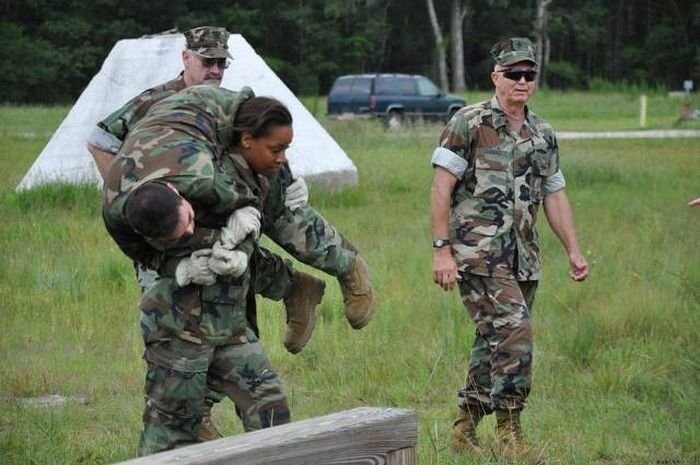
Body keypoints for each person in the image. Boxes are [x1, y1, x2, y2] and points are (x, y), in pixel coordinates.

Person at [89, 26, 376, 440]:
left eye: (222, 61)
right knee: (174, 416)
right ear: (186, 58)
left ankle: (339, 268)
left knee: (267, 403)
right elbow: (101, 140)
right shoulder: (140, 182)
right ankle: (198, 422)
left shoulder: (222, 146)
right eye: (208, 61)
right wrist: (146, 200)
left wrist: (265, 193)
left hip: (216, 274)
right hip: (173, 302)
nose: (216, 69)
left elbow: (269, 206)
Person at [103, 87, 301, 455]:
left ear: (179, 194)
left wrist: (278, 193)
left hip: (226, 319)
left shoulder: (199, 174)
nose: (193, 234)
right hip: (176, 324)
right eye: (181, 236)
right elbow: (146, 256)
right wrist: (180, 266)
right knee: (172, 429)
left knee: (270, 409)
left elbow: (251, 185)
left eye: (190, 221)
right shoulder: (117, 217)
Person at [429, 37, 589, 459]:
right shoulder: (469, 122)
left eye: (529, 74)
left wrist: (573, 249)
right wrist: (441, 250)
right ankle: (510, 432)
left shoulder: (543, 133)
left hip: (524, 257)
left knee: (494, 340)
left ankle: (464, 428)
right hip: (476, 256)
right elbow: (441, 189)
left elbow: (554, 194)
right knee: (516, 333)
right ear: (495, 76)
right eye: (514, 73)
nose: (522, 81)